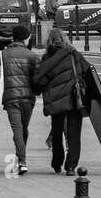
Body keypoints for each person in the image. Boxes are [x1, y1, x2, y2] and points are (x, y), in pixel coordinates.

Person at [33, 28, 91, 175]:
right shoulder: (74, 54)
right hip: (74, 99)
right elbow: (88, 71)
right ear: (64, 39)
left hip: (56, 101)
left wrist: (38, 90)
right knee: (74, 134)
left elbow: (41, 80)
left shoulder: (47, 58)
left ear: (50, 41)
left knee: (57, 133)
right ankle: (71, 166)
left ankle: (57, 163)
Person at [0, 25, 39, 174]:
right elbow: (38, 78)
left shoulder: (1, 55)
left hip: (11, 98)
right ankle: (21, 161)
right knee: (23, 129)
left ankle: (21, 160)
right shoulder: (33, 56)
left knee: (18, 129)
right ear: (26, 38)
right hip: (28, 98)